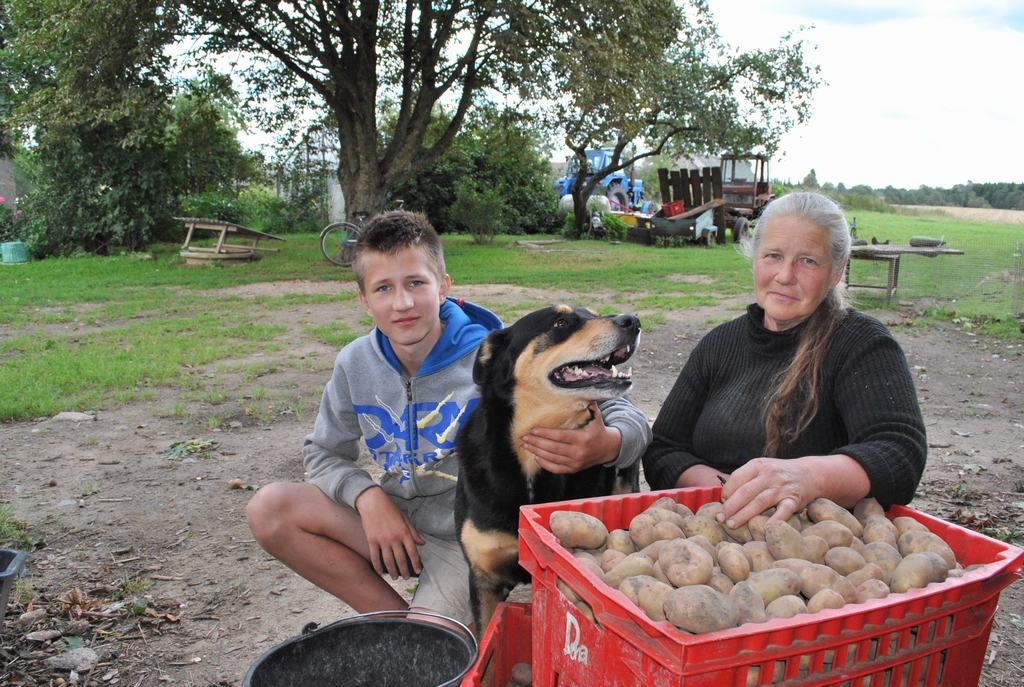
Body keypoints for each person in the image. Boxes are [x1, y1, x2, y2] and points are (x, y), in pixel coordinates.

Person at [246, 210, 651, 626]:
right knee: (271, 509)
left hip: (462, 541)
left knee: (440, 649)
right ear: (364, 299)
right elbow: (323, 453)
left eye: (416, 283)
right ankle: (395, 624)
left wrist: (610, 443)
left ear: (443, 287)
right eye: (383, 288)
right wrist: (367, 499)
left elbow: (621, 410)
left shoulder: (496, 356)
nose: (402, 302)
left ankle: (430, 630)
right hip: (395, 523)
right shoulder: (355, 362)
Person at [642, 192, 926, 530]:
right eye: (773, 256)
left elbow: (899, 452)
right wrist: (734, 491)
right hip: (712, 529)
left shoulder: (862, 344)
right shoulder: (719, 344)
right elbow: (664, 447)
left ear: (836, 272)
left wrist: (806, 478)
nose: (785, 275)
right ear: (755, 259)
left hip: (818, 544)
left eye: (808, 261)